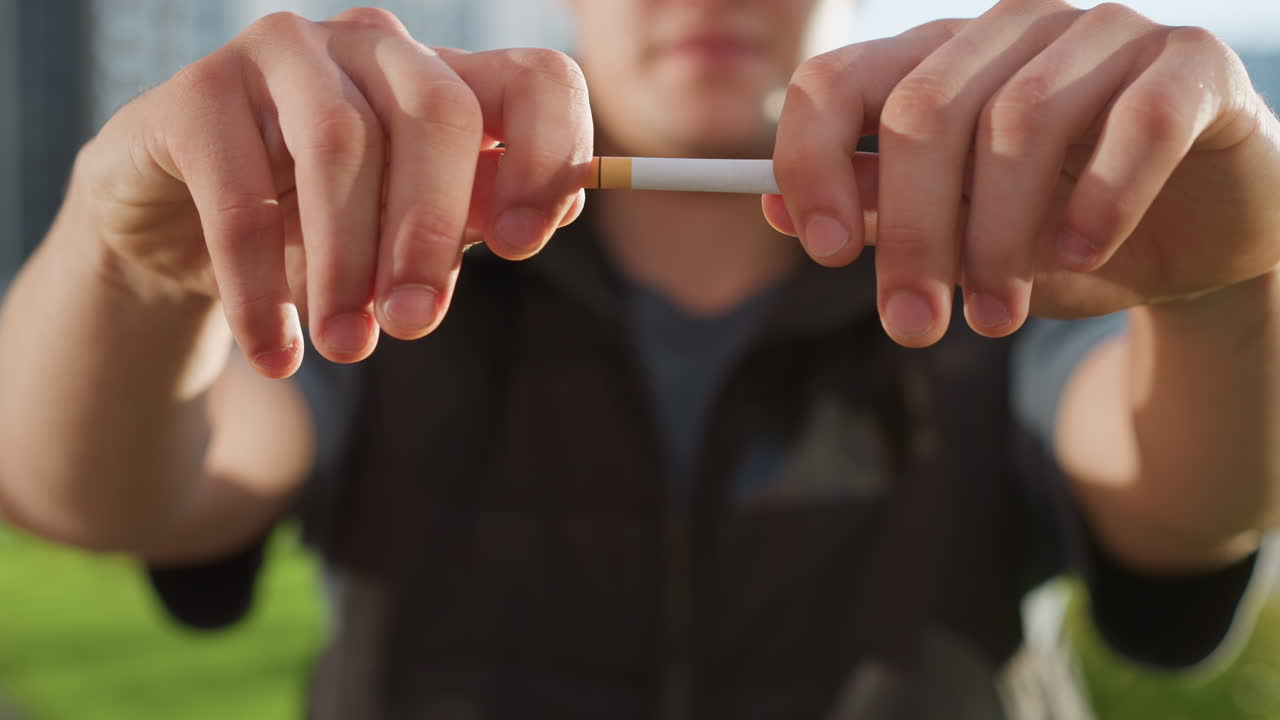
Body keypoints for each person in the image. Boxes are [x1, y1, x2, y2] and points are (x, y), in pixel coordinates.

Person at [1, 0, 1278, 717]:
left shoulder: (986, 245)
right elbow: (96, 491)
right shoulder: (415, 263)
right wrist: (134, 267)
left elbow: (1191, 501)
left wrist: (1236, 283)